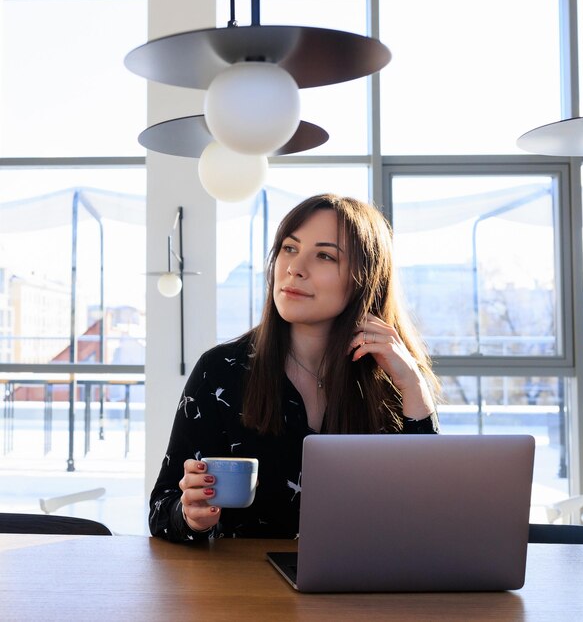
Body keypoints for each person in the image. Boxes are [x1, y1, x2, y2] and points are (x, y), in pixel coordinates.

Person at [149, 193, 440, 542]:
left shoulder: (392, 376)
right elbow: (161, 510)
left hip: (363, 589)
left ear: (366, 278)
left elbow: (428, 512)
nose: (294, 268)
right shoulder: (220, 370)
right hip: (247, 592)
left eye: (324, 255)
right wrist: (190, 516)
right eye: (289, 248)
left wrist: (414, 386)